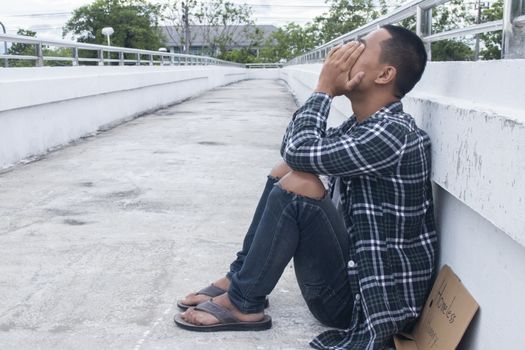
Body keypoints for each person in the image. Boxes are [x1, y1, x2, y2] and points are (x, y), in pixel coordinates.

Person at [174, 24, 437, 350]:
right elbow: (293, 149)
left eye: (359, 48)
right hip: (352, 277)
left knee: (299, 184)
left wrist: (323, 90)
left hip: (361, 304)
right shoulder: (364, 126)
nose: (343, 54)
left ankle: (244, 303)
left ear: (384, 75)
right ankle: (240, 278)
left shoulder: (392, 135)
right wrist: (323, 91)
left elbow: (300, 150)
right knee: (286, 171)